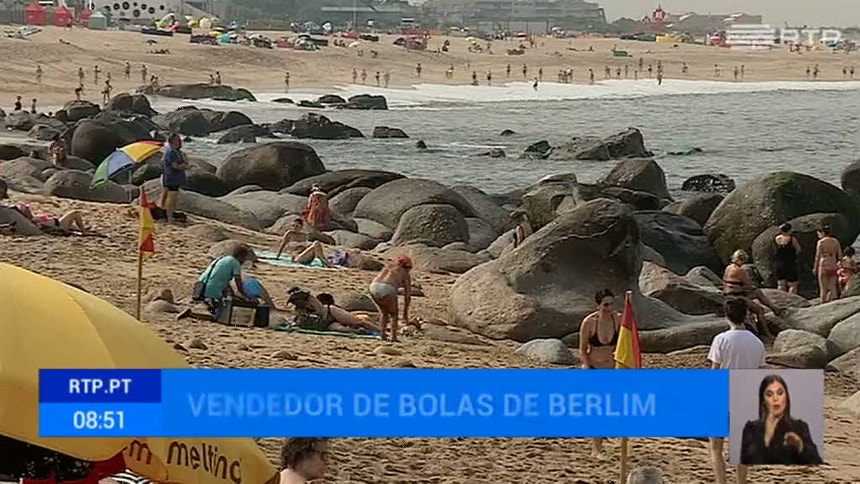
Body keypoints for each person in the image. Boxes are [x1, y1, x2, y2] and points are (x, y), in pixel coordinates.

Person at [708, 298, 766, 484]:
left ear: (727, 316)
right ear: (746, 315)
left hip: (723, 395)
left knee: (716, 447)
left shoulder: (721, 339)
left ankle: (721, 482)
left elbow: (715, 372)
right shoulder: (756, 343)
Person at [740, 374, 824, 466]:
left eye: (780, 393)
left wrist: (800, 446)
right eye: (769, 394)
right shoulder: (751, 428)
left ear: (786, 397)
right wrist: (766, 438)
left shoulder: (800, 427)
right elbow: (746, 463)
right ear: (763, 401)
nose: (775, 399)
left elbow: (817, 464)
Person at [578, 289, 622, 458]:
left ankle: (604, 435)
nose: (609, 308)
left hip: (613, 370)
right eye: (605, 305)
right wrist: (586, 366)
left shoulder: (618, 319)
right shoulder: (589, 322)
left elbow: (627, 343)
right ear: (598, 305)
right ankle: (596, 449)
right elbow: (582, 349)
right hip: (594, 369)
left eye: (611, 304)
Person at [177, 245, 253, 321]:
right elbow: (238, 280)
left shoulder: (222, 259)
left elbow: (221, 279)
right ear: (241, 256)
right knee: (216, 317)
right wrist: (243, 294)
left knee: (213, 308)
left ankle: (199, 311)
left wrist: (232, 294)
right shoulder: (235, 263)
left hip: (202, 286)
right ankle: (190, 314)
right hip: (212, 291)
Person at [723, 249, 778, 338]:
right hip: (737, 297)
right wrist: (753, 287)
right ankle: (766, 332)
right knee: (759, 310)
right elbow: (748, 285)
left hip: (729, 295)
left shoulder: (728, 268)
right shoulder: (740, 270)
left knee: (757, 292)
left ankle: (773, 308)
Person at [287, 288, 379, 334]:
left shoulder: (308, 305)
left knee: (359, 322)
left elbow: (320, 309)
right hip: (326, 322)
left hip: (329, 315)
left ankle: (380, 331)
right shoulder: (300, 309)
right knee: (344, 329)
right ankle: (363, 331)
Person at [369, 256, 412, 342]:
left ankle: (382, 335)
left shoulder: (388, 267)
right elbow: (407, 295)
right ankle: (394, 337)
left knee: (384, 313)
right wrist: (405, 313)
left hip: (374, 286)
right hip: (387, 288)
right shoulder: (405, 273)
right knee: (394, 314)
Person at [158, 133, 189, 224]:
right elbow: (175, 166)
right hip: (172, 178)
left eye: (179, 140)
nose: (178, 142)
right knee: (172, 200)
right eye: (176, 140)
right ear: (171, 141)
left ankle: (164, 215)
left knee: (166, 197)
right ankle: (169, 218)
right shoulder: (172, 152)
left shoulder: (174, 151)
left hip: (169, 177)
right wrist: (186, 166)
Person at [814, 225, 841, 302]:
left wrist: (815, 268)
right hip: (833, 264)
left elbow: (818, 256)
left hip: (824, 264)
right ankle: (834, 301)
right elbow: (840, 255)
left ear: (822, 233)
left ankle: (823, 301)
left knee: (823, 288)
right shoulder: (835, 241)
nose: (818, 235)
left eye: (819, 233)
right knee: (833, 287)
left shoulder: (821, 242)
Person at [773, 223, 801, 294]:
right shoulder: (792, 239)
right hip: (790, 263)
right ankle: (791, 298)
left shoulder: (776, 238)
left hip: (778, 263)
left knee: (781, 284)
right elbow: (798, 249)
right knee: (793, 285)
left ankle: (781, 298)